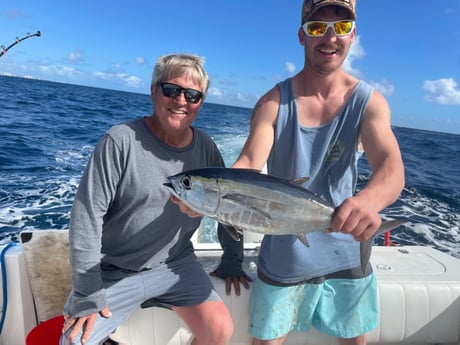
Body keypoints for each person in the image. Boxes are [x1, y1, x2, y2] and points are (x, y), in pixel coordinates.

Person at [228, 0, 405, 344]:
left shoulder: (369, 103)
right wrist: (207, 195)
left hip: (347, 248)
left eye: (340, 27)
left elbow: (391, 168)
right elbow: (249, 162)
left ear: (353, 35)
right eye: (316, 27)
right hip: (284, 254)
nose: (329, 37)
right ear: (301, 36)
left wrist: (369, 201)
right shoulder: (273, 103)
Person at [59, 53, 236, 345]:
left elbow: (231, 204)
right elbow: (86, 218)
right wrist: (87, 292)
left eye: (193, 95)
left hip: (175, 263)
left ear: (201, 102)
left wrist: (233, 259)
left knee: (219, 329)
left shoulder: (205, 147)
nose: (181, 101)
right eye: (171, 90)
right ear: (154, 90)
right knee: (73, 342)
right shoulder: (120, 140)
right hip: (112, 270)